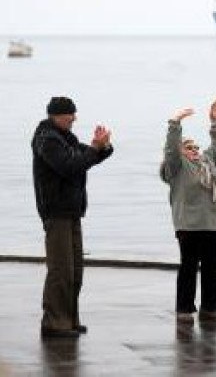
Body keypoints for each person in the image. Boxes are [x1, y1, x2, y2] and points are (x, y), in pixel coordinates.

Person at [32, 96, 113, 338]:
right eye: (71, 114)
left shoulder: (66, 138)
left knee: (75, 269)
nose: (75, 118)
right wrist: (93, 149)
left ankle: (69, 320)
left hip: (72, 211)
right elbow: (69, 166)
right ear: (56, 115)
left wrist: (103, 147)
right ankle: (54, 323)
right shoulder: (47, 140)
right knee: (61, 270)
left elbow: (84, 158)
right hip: (55, 212)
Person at [160, 99, 216, 325]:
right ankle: (184, 309)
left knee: (211, 269)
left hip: (214, 225)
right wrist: (175, 122)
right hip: (189, 226)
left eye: (196, 148)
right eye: (189, 148)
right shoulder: (177, 167)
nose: (195, 151)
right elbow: (170, 149)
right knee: (188, 267)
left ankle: (209, 308)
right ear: (181, 151)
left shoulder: (207, 162)